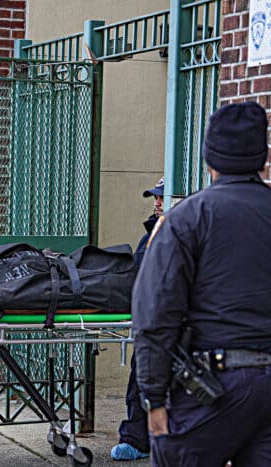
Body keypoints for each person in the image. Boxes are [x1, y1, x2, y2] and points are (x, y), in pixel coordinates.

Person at [132, 101, 271, 466]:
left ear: (209, 158)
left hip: (209, 389)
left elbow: (154, 315)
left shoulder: (186, 221)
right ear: (263, 157)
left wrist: (153, 398)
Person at [110, 177, 163, 461]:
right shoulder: (150, 236)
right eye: (155, 197)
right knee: (142, 380)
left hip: (169, 322)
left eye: (162, 197)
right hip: (152, 322)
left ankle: (146, 438)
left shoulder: (179, 234)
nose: (157, 203)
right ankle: (137, 438)